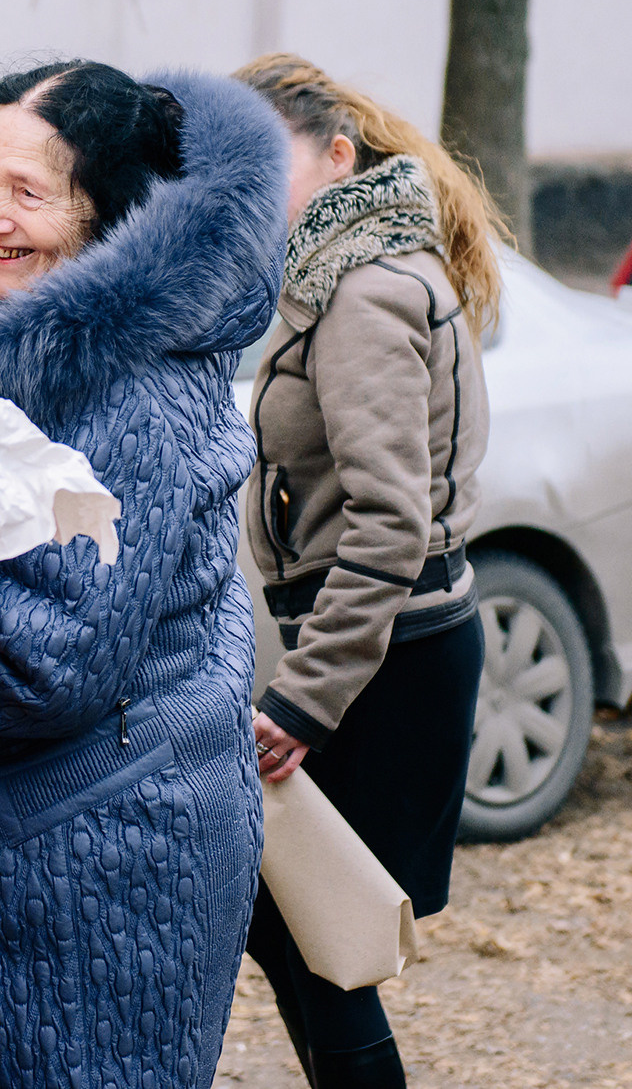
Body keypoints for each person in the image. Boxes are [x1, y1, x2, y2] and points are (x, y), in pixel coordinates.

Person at [0, 61, 286, 1087]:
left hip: (87, 862)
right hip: (76, 827)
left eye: (28, 194)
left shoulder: (119, 389)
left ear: (109, 220)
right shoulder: (40, 343)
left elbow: (44, 663)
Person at [236, 53, 503, 1089]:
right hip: (390, 649)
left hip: (385, 661)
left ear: (337, 155)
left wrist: (301, 700)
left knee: (313, 938)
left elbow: (389, 524)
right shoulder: (356, 269)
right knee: (302, 936)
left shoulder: (360, 292)